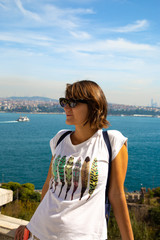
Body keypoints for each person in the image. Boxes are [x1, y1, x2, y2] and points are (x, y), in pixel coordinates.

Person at [15, 80, 134, 240]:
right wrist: (31, 224)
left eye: (72, 102)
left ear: (94, 106)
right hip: (39, 233)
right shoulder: (60, 138)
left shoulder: (112, 142)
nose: (65, 107)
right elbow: (48, 186)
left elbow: (117, 195)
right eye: (64, 102)